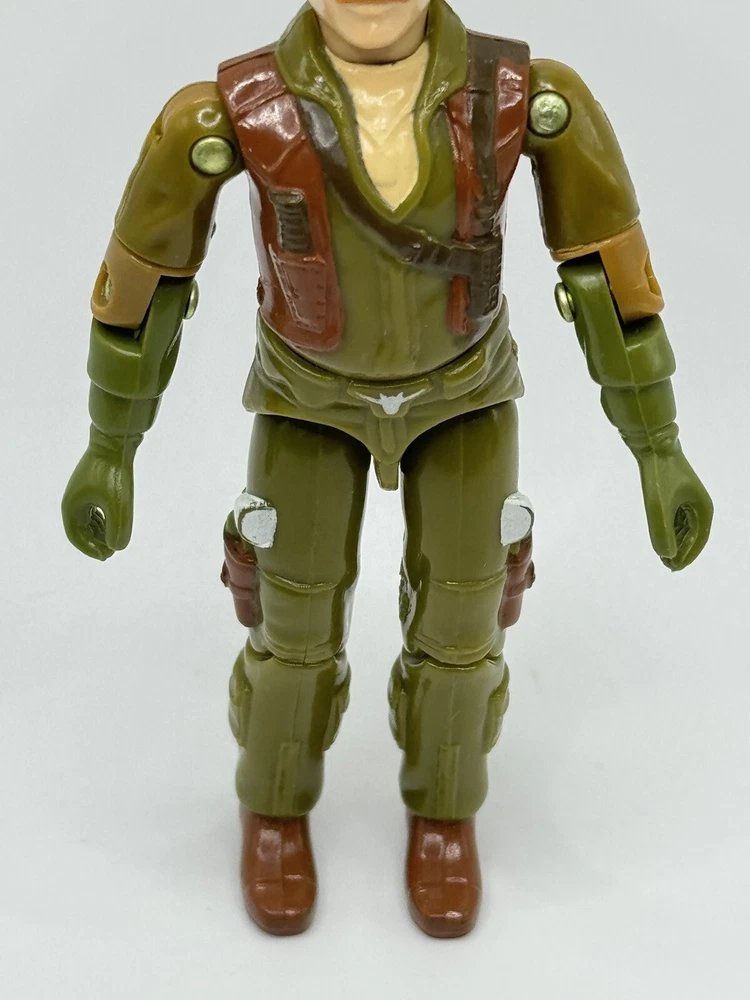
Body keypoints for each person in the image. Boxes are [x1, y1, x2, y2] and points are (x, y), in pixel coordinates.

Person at [62, 0, 713, 938]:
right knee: (290, 626)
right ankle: (274, 803)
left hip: (465, 397)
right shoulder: (235, 111)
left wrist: (660, 448)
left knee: (465, 624)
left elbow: (608, 284)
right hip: (306, 401)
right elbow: (147, 288)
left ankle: (446, 810)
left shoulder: (521, 98)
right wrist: (108, 448)